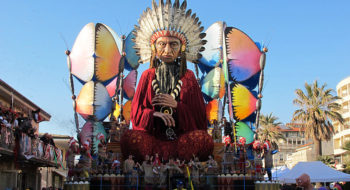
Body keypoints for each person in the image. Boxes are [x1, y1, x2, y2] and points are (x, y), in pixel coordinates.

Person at [121, 0, 213, 162]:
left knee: (203, 140)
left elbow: (199, 119)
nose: (168, 50)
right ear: (154, 47)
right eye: (162, 44)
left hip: (182, 142)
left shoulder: (189, 77)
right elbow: (136, 116)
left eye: (173, 44)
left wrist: (177, 106)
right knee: (129, 138)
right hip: (152, 142)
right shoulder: (147, 76)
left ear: (182, 49)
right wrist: (153, 114)